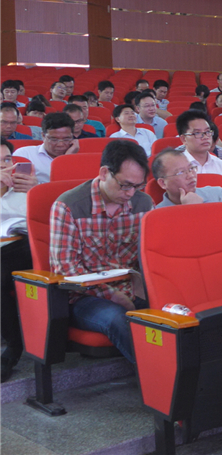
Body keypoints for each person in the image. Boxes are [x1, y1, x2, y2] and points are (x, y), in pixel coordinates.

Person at [50, 140, 154, 363]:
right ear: (104, 172)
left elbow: (152, 257)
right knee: (118, 318)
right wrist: (112, 295)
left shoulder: (143, 204)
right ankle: (161, 382)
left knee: (174, 313)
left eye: (138, 186)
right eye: (125, 185)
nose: (131, 194)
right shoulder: (69, 206)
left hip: (133, 288)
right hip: (85, 297)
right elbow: (67, 272)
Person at [1, 137, 38, 381]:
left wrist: (37, 192)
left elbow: (47, 222)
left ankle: (13, 347)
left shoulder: (28, 188)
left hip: (28, 246)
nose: (5, 167)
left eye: (6, 160)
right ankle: (13, 342)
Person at [175, 110, 222, 202]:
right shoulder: (175, 167)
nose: (205, 137)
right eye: (197, 133)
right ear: (183, 139)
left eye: (207, 132)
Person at [13, 112, 79, 184]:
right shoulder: (25, 154)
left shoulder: (81, 157)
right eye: (54, 139)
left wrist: (67, 158)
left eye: (66, 139)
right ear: (43, 136)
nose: (60, 144)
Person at [152, 149, 222, 208]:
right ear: (163, 183)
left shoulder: (218, 195)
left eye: (191, 168)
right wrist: (190, 210)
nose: (190, 175)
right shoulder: (157, 214)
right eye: (181, 172)